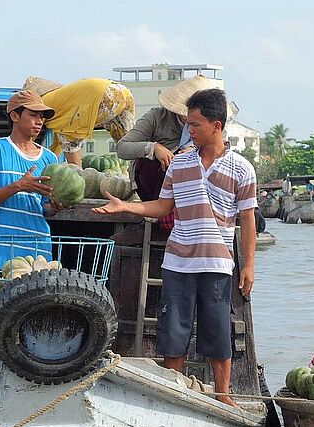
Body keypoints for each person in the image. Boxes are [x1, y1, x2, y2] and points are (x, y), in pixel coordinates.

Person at [92, 88, 257, 408]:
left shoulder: (241, 168)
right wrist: (125, 207)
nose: (189, 130)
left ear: (216, 126)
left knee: (218, 333)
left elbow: (247, 221)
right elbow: (162, 207)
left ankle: (224, 395)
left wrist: (248, 265)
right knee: (173, 332)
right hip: (178, 262)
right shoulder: (179, 163)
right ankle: (172, 395)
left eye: (195, 125)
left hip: (217, 264)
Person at [116, 75, 220, 229]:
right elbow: (122, 148)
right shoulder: (156, 117)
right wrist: (154, 148)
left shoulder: (213, 126)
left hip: (194, 193)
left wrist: (193, 152)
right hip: (156, 188)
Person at [0, 90, 60, 270]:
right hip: (1, 252)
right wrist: (19, 185)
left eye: (42, 116)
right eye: (33, 114)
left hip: (39, 254)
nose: (39, 121)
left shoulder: (51, 159)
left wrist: (55, 207)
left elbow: (43, 208)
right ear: (14, 115)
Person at [23, 77, 135, 167]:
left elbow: (29, 135)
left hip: (102, 97)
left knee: (69, 140)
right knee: (130, 145)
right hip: (122, 91)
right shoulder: (62, 94)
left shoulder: (42, 103)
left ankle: (80, 178)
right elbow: (56, 144)